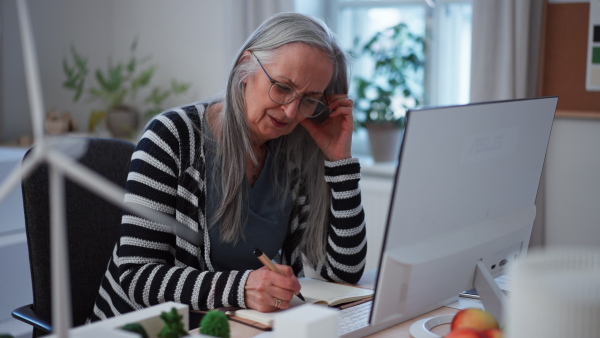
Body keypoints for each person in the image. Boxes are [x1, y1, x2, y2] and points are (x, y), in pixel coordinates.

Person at [88, 12, 366, 323]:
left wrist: (340, 162)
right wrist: (242, 287)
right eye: (283, 87)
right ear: (245, 68)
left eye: (309, 100)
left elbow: (344, 273)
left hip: (235, 327)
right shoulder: (170, 137)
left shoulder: (294, 154)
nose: (290, 111)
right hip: (151, 329)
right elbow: (137, 276)